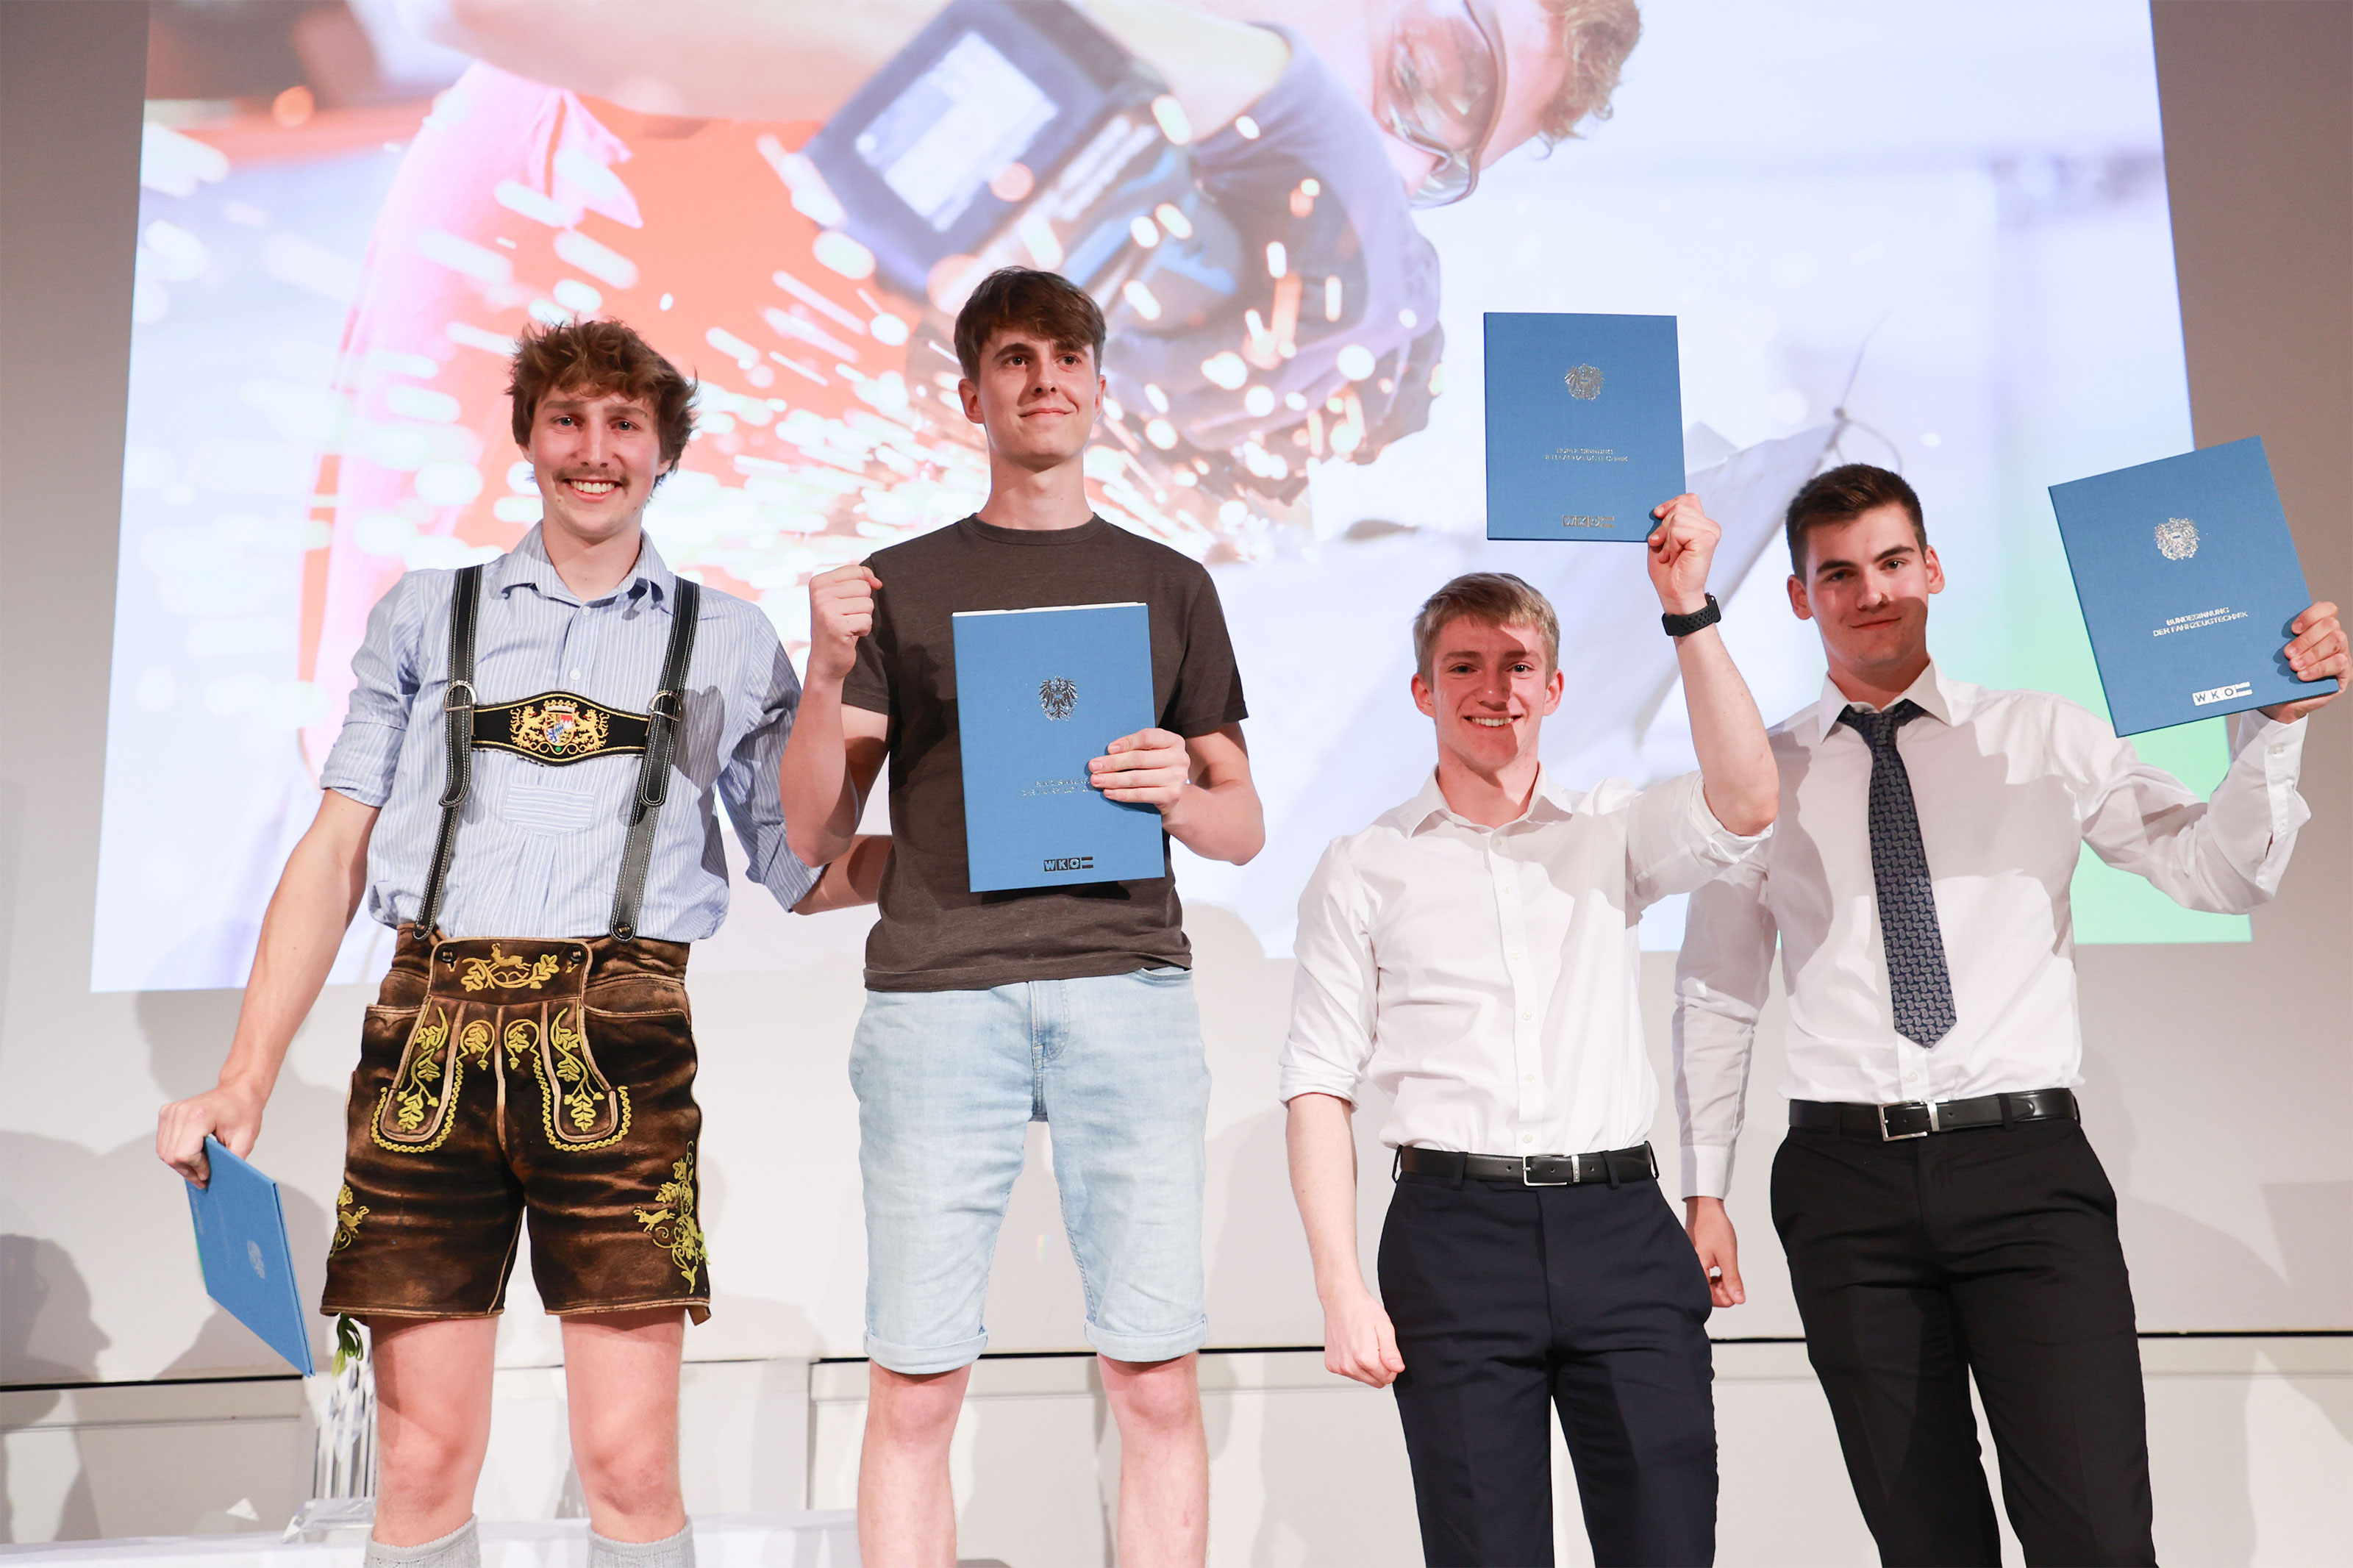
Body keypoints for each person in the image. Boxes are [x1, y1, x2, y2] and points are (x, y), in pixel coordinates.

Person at [157, 320, 879, 1568]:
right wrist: (244, 1075)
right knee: (420, 1460)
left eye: (624, 425)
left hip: (622, 1033)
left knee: (631, 1462)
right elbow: (333, 854)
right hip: (425, 1030)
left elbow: (800, 866)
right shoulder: (424, 614)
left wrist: (971, 857)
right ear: (528, 441)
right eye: (567, 421)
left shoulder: (726, 634)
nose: (594, 450)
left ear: (664, 453)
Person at [1673, 463, 2347, 1567]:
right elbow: (1718, 989)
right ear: (1800, 597)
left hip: (2025, 1174)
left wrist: (2270, 729)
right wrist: (1704, 1189)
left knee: (2097, 1537)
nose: (1871, 591)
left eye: (1893, 562)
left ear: (1933, 569)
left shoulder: (2045, 735)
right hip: (1844, 1187)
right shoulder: (1762, 774)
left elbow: (2217, 876)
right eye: (1838, 574)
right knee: (1925, 1542)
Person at [778, 267, 1264, 1568]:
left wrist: (1178, 791)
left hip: (1128, 985)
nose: (1044, 380)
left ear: (1098, 385)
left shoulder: (1170, 583)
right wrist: (824, 672)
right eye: (1013, 359)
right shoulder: (897, 584)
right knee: (914, 1383)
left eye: (1066, 357)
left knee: (1155, 1379)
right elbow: (815, 831)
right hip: (943, 996)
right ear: (970, 395)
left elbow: (1241, 824)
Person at [1280, 512, 1781, 1566]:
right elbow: (1319, 1082)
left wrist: (1687, 609)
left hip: (1620, 1227)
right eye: (1463, 665)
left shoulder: (1611, 827)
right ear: (1423, 691)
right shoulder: (1364, 864)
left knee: (1668, 1546)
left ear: (1554, 688)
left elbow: (1746, 801)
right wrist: (1339, 1287)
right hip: (1452, 1240)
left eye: (1518, 665)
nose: (1493, 687)